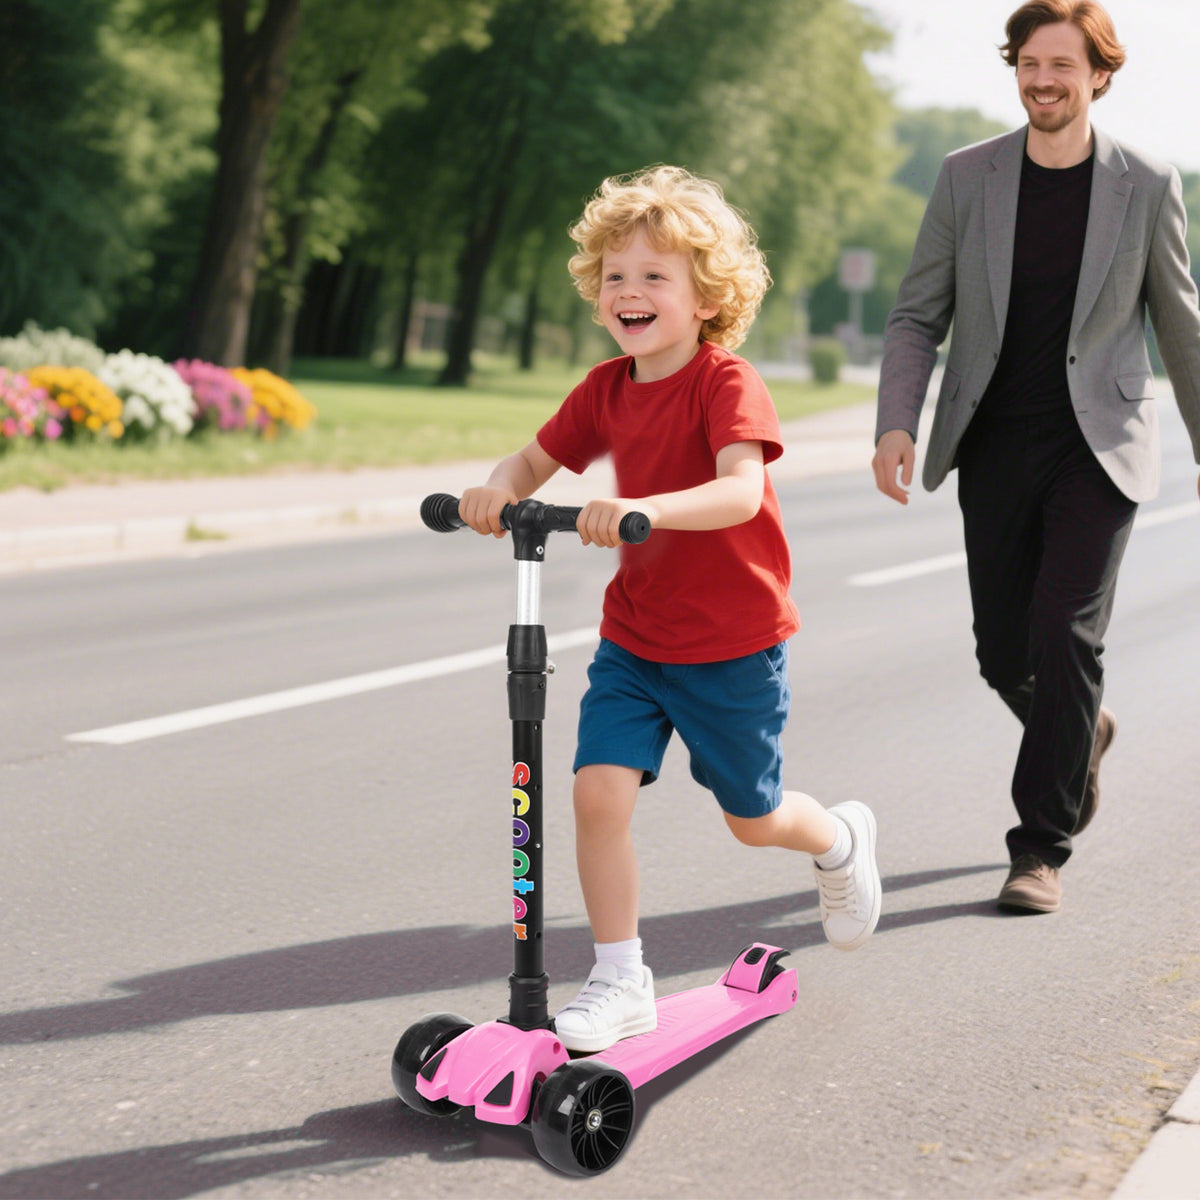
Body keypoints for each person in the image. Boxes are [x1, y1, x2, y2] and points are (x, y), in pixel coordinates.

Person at [459, 165, 882, 1052]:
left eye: (655, 276)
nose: (630, 292)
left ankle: (838, 838)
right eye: (616, 275)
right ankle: (621, 978)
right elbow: (531, 464)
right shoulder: (605, 389)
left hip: (731, 645)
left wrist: (643, 513)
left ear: (705, 298)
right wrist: (494, 490)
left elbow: (737, 492)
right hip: (637, 641)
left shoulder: (726, 384)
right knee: (596, 793)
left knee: (753, 817)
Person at [872, 0, 1200, 914]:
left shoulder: (1146, 180)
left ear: (1099, 73)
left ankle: (1039, 847)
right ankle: (1079, 732)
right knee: (1000, 651)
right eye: (1029, 62)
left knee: (1066, 633)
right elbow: (915, 314)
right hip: (998, 442)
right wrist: (897, 420)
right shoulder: (967, 176)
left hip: (1101, 448)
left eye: (1063, 64)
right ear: (1014, 70)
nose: (1043, 79)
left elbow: (1182, 323)